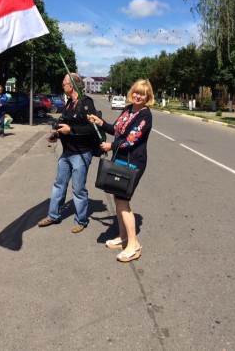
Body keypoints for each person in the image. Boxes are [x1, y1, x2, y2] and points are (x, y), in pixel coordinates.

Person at [88, 79, 154, 262]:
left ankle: (134, 245)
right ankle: (123, 237)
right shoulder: (127, 110)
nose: (138, 96)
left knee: (123, 201)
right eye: (136, 92)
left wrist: (110, 146)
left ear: (148, 97)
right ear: (131, 92)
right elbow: (116, 129)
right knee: (118, 199)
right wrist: (100, 122)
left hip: (134, 162)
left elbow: (132, 139)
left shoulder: (145, 115)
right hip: (120, 159)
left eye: (142, 94)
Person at [38, 73, 98, 233]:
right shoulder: (69, 104)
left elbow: (93, 128)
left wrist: (71, 130)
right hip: (67, 153)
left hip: (81, 153)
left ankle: (81, 220)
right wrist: (57, 133)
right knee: (59, 185)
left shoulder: (86, 103)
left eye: (64, 83)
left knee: (78, 189)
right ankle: (53, 215)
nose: (62, 85)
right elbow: (64, 123)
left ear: (71, 86)